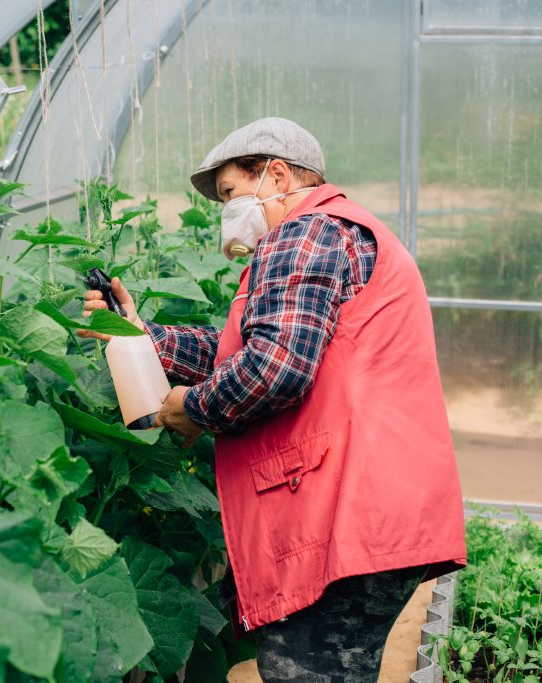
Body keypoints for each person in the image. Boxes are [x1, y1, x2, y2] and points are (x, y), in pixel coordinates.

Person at [79, 117, 467, 681]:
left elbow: (276, 368)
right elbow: (245, 349)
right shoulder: (335, 232)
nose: (226, 213)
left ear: (278, 176)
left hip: (349, 509)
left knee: (304, 668)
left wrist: (189, 408)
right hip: (375, 507)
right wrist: (143, 338)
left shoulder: (306, 232)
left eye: (231, 193)